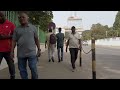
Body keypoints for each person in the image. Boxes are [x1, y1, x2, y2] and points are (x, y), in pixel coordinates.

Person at [11, 12, 41, 79]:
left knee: (33, 68)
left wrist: (39, 49)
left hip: (32, 53)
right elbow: (13, 41)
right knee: (22, 70)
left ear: (27, 18)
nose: (21, 18)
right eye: (20, 17)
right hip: (21, 54)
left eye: (23, 17)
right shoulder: (16, 29)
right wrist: (12, 51)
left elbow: (36, 39)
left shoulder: (33, 28)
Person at [0, 11, 16, 79]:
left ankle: (12, 76)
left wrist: (4, 37)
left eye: (1, 16)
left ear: (5, 16)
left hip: (8, 49)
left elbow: (15, 36)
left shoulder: (11, 24)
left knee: (11, 65)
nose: (0, 18)